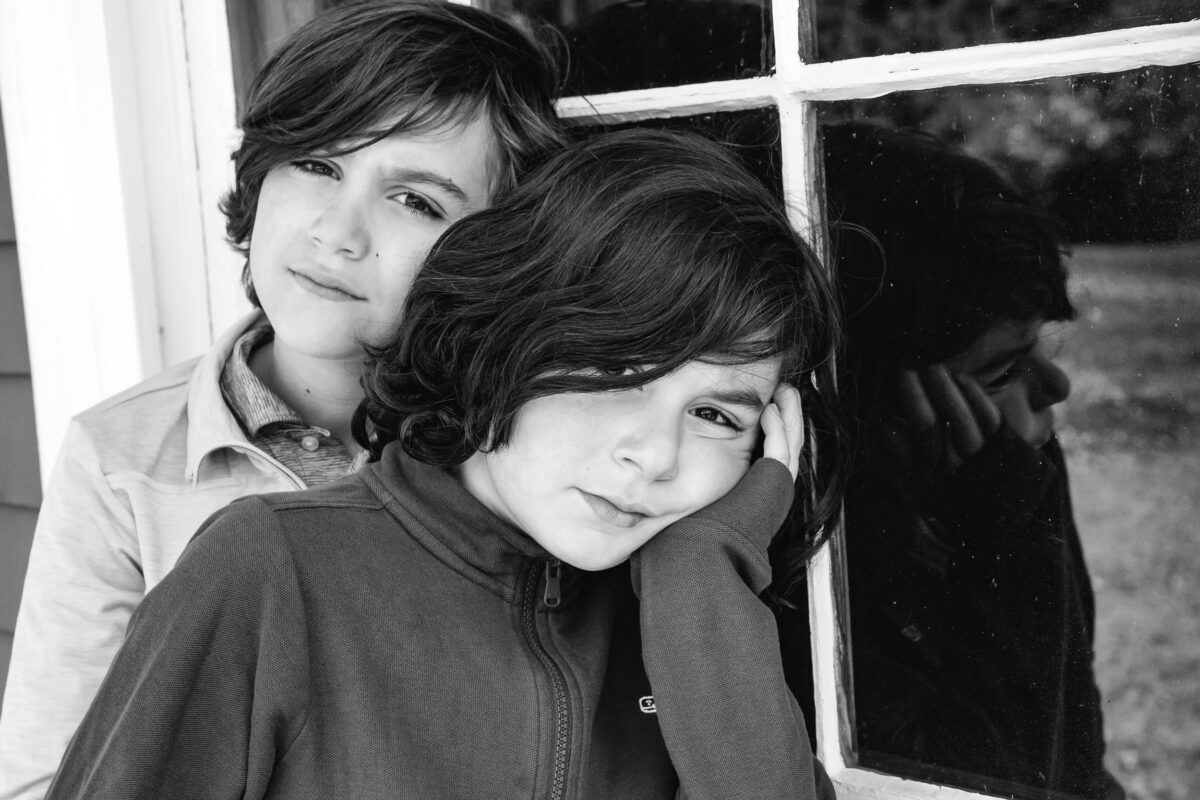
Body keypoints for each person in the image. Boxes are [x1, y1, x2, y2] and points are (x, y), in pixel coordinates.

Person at [43, 129, 841, 799]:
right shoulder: (269, 571)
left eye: (714, 416)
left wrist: (703, 585)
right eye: (611, 376)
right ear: (498, 341)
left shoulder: (681, 617)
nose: (653, 456)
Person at [0, 4, 562, 798]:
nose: (339, 233)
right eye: (319, 166)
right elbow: (52, 779)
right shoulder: (120, 461)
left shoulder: (523, 456)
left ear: (495, 249)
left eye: (417, 201)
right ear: (261, 171)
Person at [812, 120, 1123, 798]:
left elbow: (1077, 746)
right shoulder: (825, 580)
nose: (1056, 387)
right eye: (1002, 367)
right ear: (884, 400)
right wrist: (1008, 516)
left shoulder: (1004, 471)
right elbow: (1022, 774)